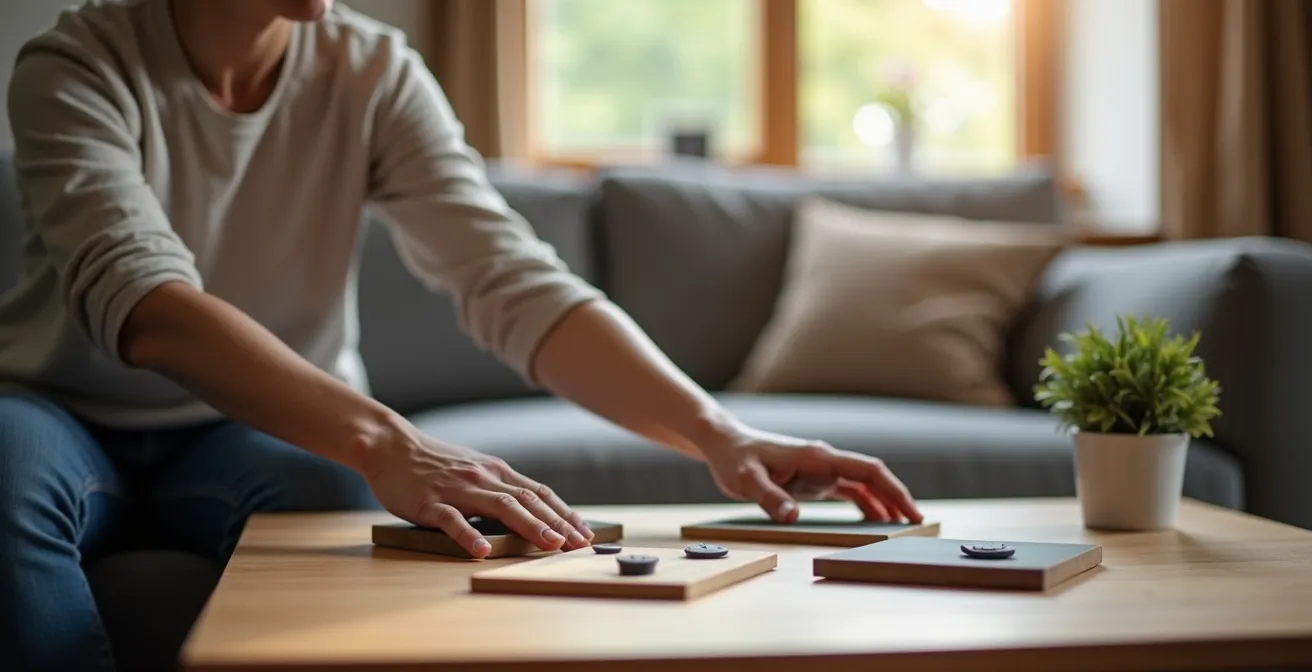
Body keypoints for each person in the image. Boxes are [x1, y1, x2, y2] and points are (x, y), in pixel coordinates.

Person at [0, 0, 923, 669]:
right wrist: (388, 441)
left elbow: (513, 281)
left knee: (331, 494)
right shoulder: (77, 63)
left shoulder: (372, 72)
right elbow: (145, 304)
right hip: (64, 410)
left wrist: (718, 433)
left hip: (268, 427)